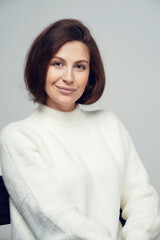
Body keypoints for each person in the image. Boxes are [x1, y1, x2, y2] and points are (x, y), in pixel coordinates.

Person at [0, 18, 160, 240]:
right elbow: (54, 218)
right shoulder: (19, 136)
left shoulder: (109, 125)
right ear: (40, 66)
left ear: (90, 75)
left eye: (80, 66)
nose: (68, 77)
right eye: (57, 63)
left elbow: (142, 199)